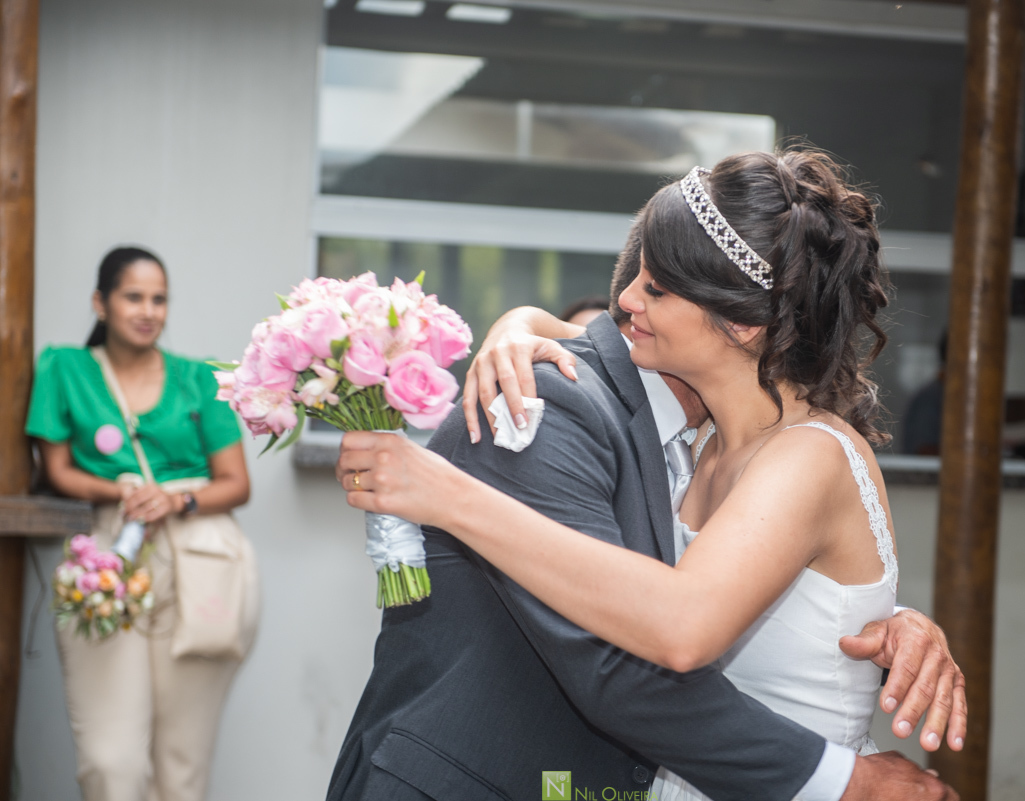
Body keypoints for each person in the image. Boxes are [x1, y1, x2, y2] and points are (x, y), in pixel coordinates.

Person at [330, 154, 964, 801]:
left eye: (657, 288)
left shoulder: (805, 453)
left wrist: (447, 494)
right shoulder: (691, 437)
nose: (626, 301)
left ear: (743, 321)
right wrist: (520, 321)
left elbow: (684, 622)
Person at [25, 246, 253, 801]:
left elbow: (236, 483)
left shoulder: (201, 378)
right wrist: (122, 491)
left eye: (159, 299)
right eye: (134, 297)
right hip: (108, 555)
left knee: (181, 764)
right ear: (100, 303)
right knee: (111, 760)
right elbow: (56, 469)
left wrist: (176, 500)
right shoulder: (65, 368)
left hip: (201, 559)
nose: (149, 311)